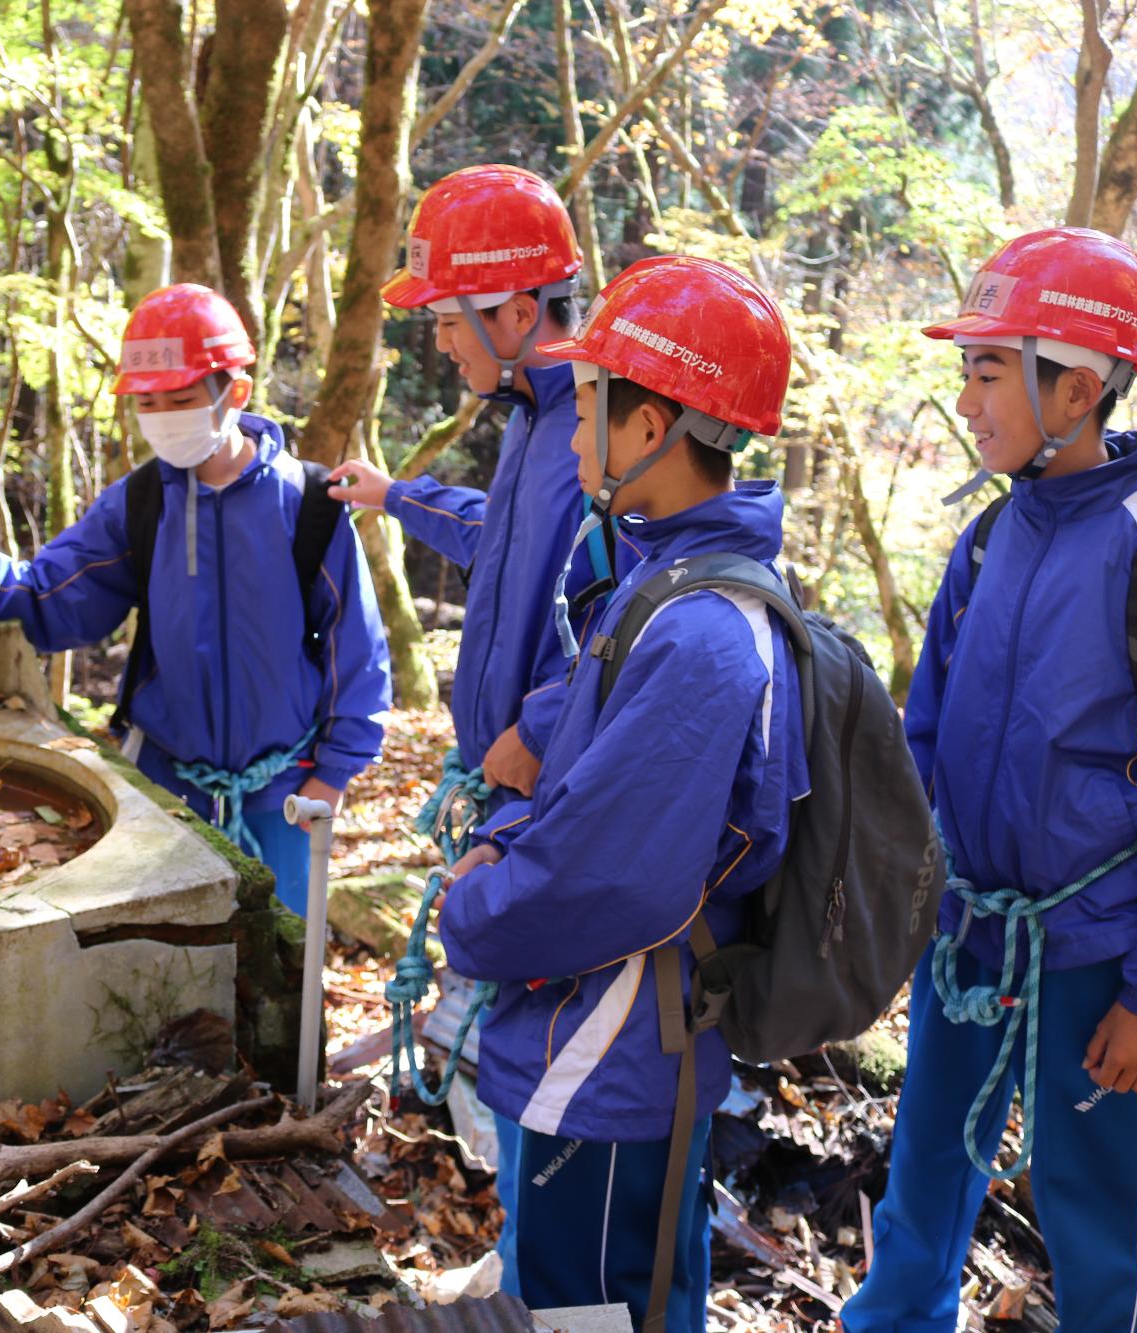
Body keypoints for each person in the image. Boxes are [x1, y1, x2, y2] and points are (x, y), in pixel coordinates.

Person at [840, 228, 1137, 1333]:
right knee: (923, 1180)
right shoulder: (990, 541)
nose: (964, 397)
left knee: (1097, 1218)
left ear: (1076, 386)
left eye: (987, 370)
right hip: (975, 939)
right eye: (965, 370)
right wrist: (916, 912)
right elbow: (926, 746)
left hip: (1108, 953)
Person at [437, 255, 804, 1331]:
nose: (572, 422)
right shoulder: (662, 576)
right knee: (620, 1292)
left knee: (583, 1304)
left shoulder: (696, 629)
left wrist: (475, 906)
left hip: (607, 1040)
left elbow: (609, 873)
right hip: (608, 1030)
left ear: (651, 428)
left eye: (591, 400)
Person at [0, 283, 391, 915]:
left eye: (181, 398)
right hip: (166, 786)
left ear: (236, 393)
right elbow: (49, 599)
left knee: (283, 971)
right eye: (148, 402)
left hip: (286, 792)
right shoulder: (139, 504)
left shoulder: (310, 504)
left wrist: (333, 774)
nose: (164, 415)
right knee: (174, 968)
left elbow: (355, 649)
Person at [328, 164, 611, 857]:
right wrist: (393, 494)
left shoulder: (602, 423)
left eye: (450, 321)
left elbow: (631, 612)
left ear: (517, 313)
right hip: (509, 794)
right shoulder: (531, 415)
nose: (442, 343)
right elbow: (509, 542)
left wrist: (539, 730)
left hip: (551, 800)